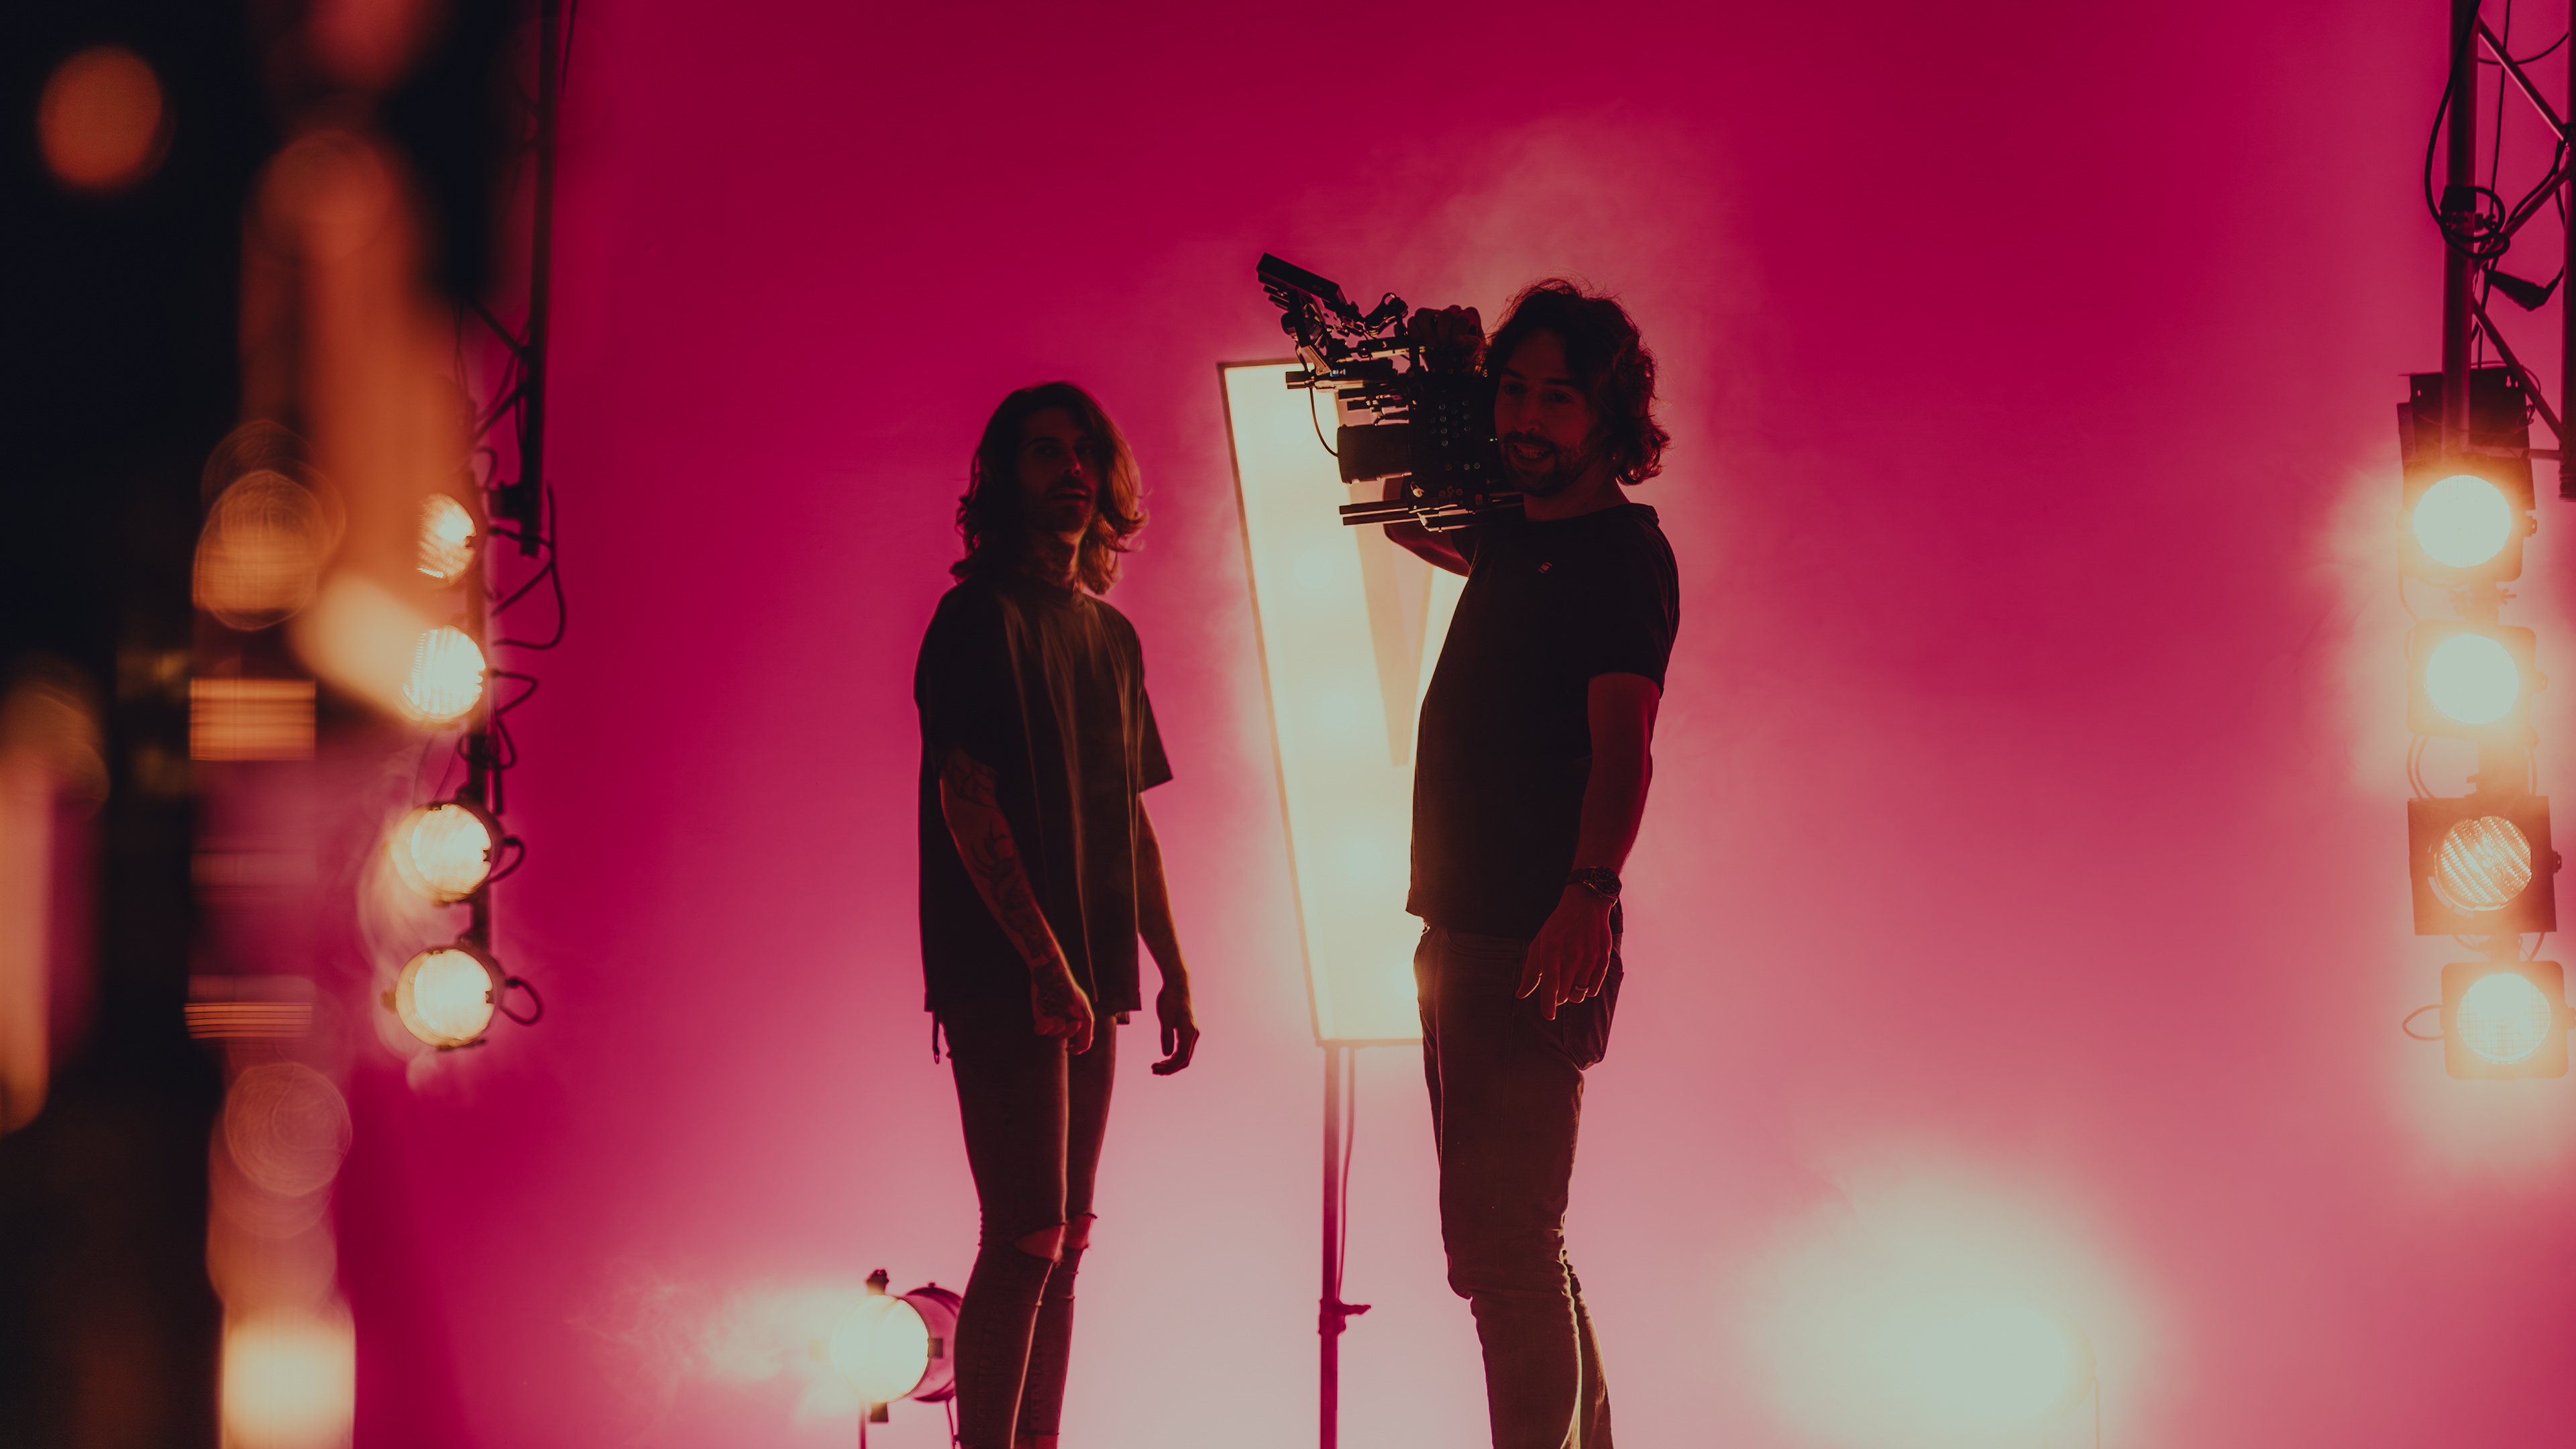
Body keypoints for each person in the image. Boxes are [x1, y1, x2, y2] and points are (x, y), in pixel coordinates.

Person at [1383, 281, 1680, 1449]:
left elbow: (1625, 747)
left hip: (1530, 935)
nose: (1529, 418)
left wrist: (1589, 892)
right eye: (1515, 392)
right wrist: (1448, 386)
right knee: (1511, 1253)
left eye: (1559, 398)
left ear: (1610, 418)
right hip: (1462, 931)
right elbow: (1399, 512)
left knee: (1507, 1253)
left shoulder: (1619, 555)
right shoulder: (1513, 533)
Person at [912, 381, 1200, 1449]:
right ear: (1002, 478)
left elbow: (1130, 817)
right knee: (1027, 1233)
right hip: (1007, 973)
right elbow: (966, 800)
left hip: (1094, 972)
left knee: (1070, 1238)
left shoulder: (1112, 639)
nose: (1071, 469)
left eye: (1084, 451)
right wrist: (1042, 960)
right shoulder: (975, 619)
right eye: (1044, 451)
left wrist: (1173, 966)